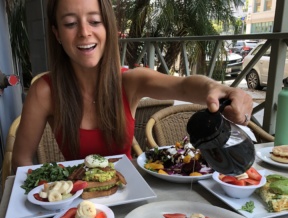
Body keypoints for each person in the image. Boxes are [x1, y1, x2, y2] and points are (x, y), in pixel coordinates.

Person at [12, 0, 253, 171]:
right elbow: (21, 160)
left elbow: (184, 86)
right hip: (77, 202)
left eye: (94, 21)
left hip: (130, 194)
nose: (85, 32)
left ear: (108, 27)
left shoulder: (130, 81)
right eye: (70, 24)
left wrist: (217, 89)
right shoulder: (44, 91)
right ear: (56, 34)